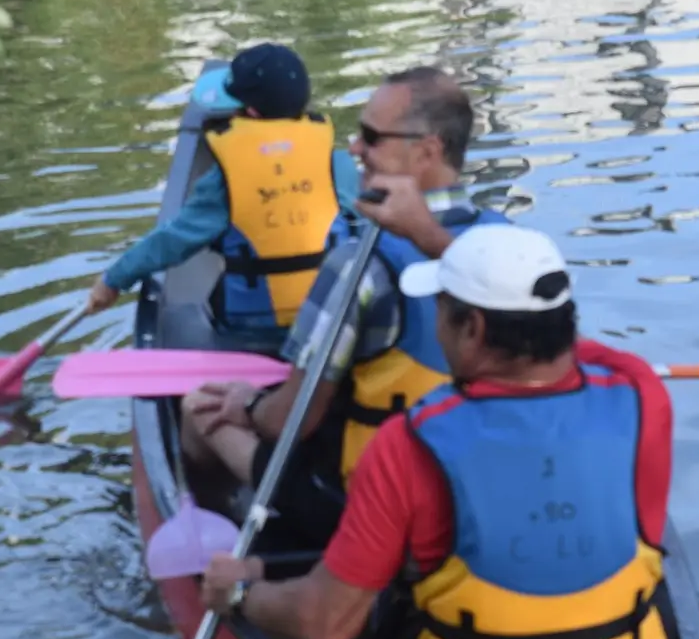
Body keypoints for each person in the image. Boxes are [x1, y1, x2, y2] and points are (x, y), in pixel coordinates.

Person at [200, 223, 674, 639]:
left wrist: (238, 593)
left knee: (372, 598)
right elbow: (572, 350)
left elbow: (324, 625)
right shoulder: (644, 395)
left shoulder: (407, 444)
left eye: (441, 314)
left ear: (471, 327)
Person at [180, 65, 510, 542]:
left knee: (198, 408)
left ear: (427, 152)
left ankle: (232, 539)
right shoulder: (514, 246)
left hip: (364, 501)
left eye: (371, 138)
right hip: (476, 480)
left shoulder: (358, 268)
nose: (354, 149)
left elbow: (288, 421)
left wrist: (247, 403)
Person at [86, 43, 360, 351]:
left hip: (253, 336)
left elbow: (172, 242)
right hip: (328, 322)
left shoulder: (224, 178)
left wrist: (113, 280)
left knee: (187, 316)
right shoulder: (338, 164)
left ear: (250, 112)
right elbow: (363, 233)